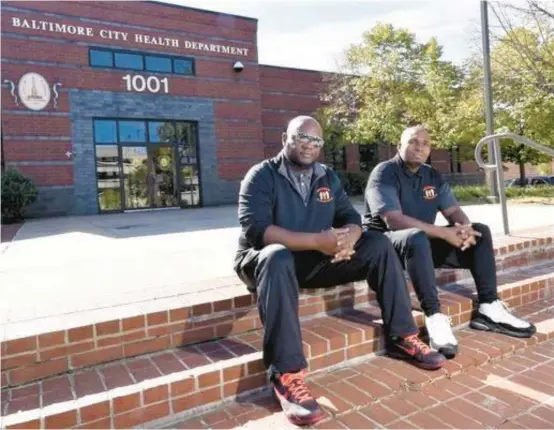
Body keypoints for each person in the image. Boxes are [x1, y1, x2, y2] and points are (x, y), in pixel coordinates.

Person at [234, 116, 445, 426]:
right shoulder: (261, 176)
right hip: (265, 262)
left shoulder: (327, 177)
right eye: (301, 138)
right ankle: (287, 374)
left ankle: (403, 335)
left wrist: (349, 239)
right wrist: (319, 241)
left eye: (316, 141)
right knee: (277, 257)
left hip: (312, 260)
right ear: (284, 139)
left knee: (378, 243)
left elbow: (350, 217)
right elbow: (257, 231)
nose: (309, 145)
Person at [363, 125, 536, 359]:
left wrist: (463, 228)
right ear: (399, 145)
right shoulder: (384, 172)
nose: (420, 148)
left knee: (479, 232)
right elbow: (392, 220)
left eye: (426, 144)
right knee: (415, 236)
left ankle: (489, 306)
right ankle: (433, 315)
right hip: (388, 247)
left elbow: (452, 210)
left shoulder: (431, 175)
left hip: (422, 244)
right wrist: (443, 233)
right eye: (414, 141)